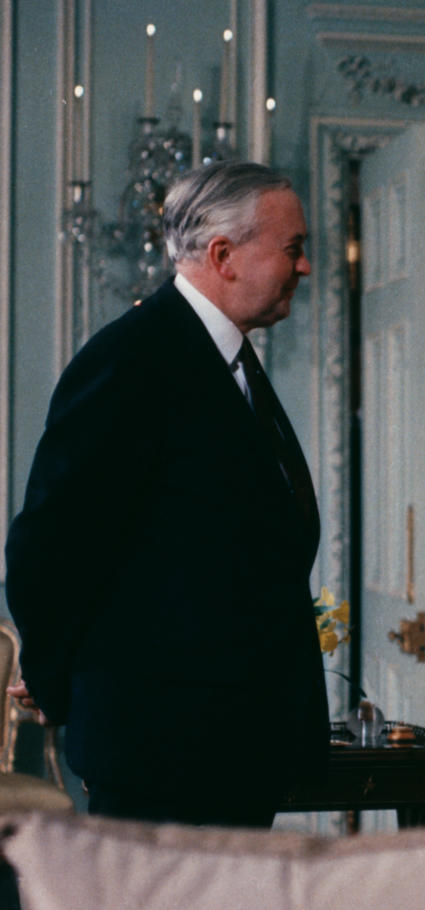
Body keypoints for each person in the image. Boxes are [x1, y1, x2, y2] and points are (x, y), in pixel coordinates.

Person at [4, 161, 329, 827]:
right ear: (222, 255)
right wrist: (64, 688)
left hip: (232, 748)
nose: (305, 268)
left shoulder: (227, 359)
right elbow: (47, 549)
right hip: (161, 754)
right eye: (293, 249)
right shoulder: (133, 361)